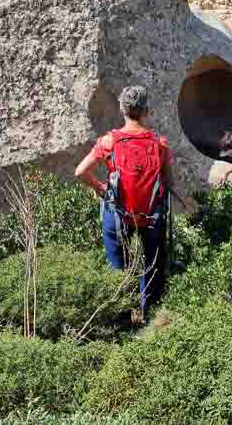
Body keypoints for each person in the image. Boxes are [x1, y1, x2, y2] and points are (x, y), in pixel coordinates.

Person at [74, 86, 173, 321]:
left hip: (117, 214)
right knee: (152, 266)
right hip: (150, 215)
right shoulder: (159, 143)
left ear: (122, 109)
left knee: (118, 267)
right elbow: (168, 181)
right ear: (147, 111)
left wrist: (100, 188)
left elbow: (80, 172)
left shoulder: (108, 141)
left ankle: (122, 322)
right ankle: (151, 318)